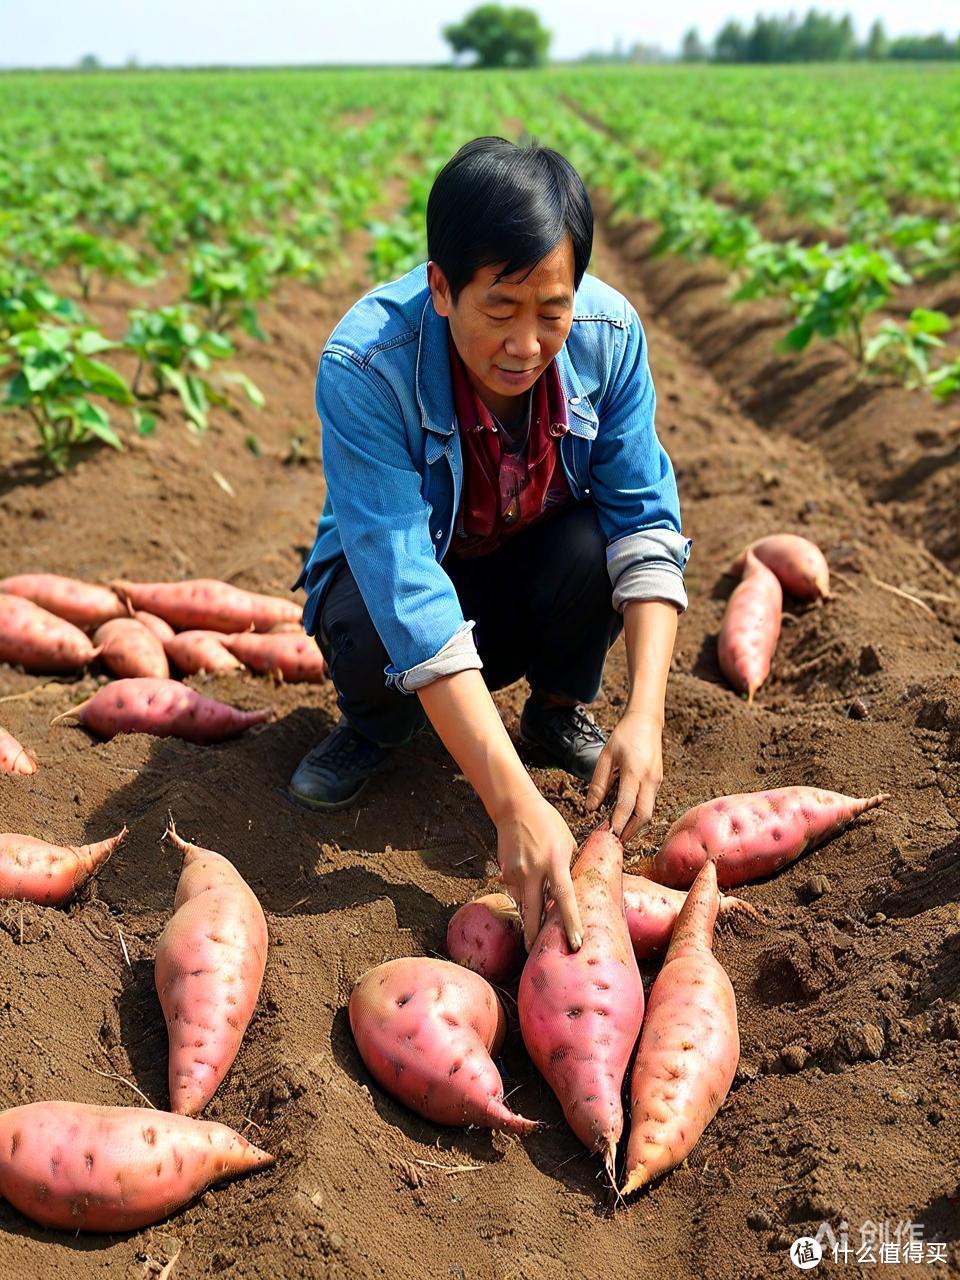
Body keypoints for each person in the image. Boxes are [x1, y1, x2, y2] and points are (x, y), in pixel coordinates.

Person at [291, 137, 690, 952]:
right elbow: (406, 584)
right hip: (410, 593)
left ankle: (554, 710)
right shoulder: (367, 365)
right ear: (441, 288)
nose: (527, 344)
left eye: (552, 310)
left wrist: (646, 711)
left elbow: (647, 520)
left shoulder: (609, 337)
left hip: (525, 570)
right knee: (369, 613)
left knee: (597, 540)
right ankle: (376, 727)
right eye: (500, 310)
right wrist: (511, 804)